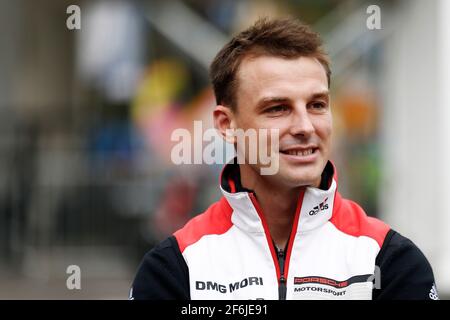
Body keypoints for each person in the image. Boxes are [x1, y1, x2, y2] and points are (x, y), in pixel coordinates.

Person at [129, 17, 438, 300]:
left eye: (317, 105)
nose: (305, 127)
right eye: (277, 108)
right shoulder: (175, 268)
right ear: (227, 125)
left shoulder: (391, 260)